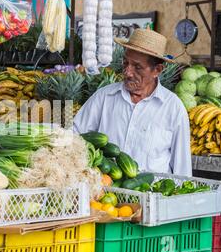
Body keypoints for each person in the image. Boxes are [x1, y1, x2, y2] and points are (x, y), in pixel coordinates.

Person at [73, 29, 192, 176]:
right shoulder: (104, 97)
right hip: (104, 193)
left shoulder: (173, 108)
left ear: (157, 70)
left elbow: (182, 169)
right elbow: (75, 135)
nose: (128, 72)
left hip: (153, 195)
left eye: (137, 67)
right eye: (125, 63)